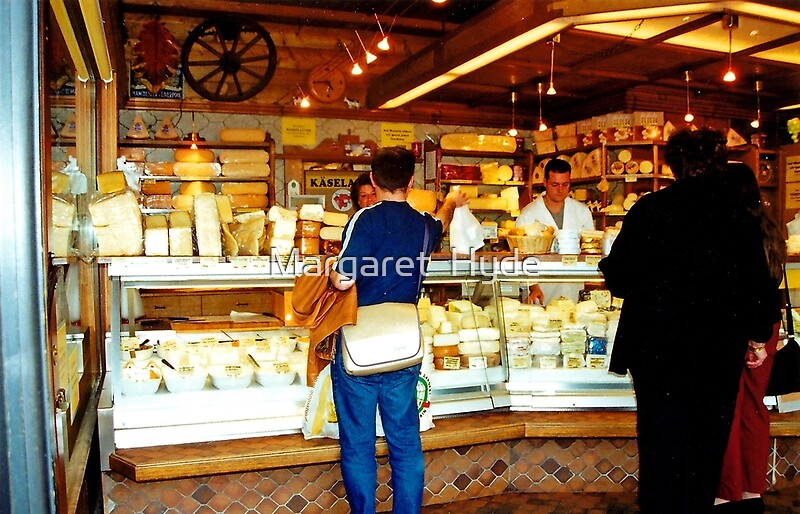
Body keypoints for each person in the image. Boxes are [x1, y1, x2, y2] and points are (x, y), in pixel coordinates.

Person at [598, 128, 779, 514]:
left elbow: (619, 278)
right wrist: (757, 337)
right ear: (718, 163)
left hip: (656, 352)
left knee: (660, 447)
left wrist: (609, 265)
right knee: (705, 449)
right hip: (716, 352)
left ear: (673, 165)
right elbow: (758, 286)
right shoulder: (737, 216)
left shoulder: (649, 210)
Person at [328, 146, 466, 514]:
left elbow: (342, 280)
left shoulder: (364, 219)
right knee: (405, 443)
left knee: (358, 444)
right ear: (410, 181)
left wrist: (330, 270)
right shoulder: (423, 225)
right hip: (403, 346)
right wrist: (452, 200)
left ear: (372, 179)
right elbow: (443, 221)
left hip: (359, 344)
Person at [715, 163, 786, 514]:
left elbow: (741, 288)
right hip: (767, 327)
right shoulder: (770, 228)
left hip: (742, 326)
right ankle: (752, 488)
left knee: (729, 406)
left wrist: (750, 338)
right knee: (755, 407)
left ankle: (728, 489)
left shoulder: (731, 228)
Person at [515, 158, 594, 304]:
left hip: (573, 288)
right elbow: (521, 258)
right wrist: (533, 287)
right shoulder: (528, 214)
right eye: (555, 184)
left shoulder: (582, 212)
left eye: (565, 184)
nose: (560, 190)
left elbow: (590, 250)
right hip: (542, 291)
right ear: (545, 182)